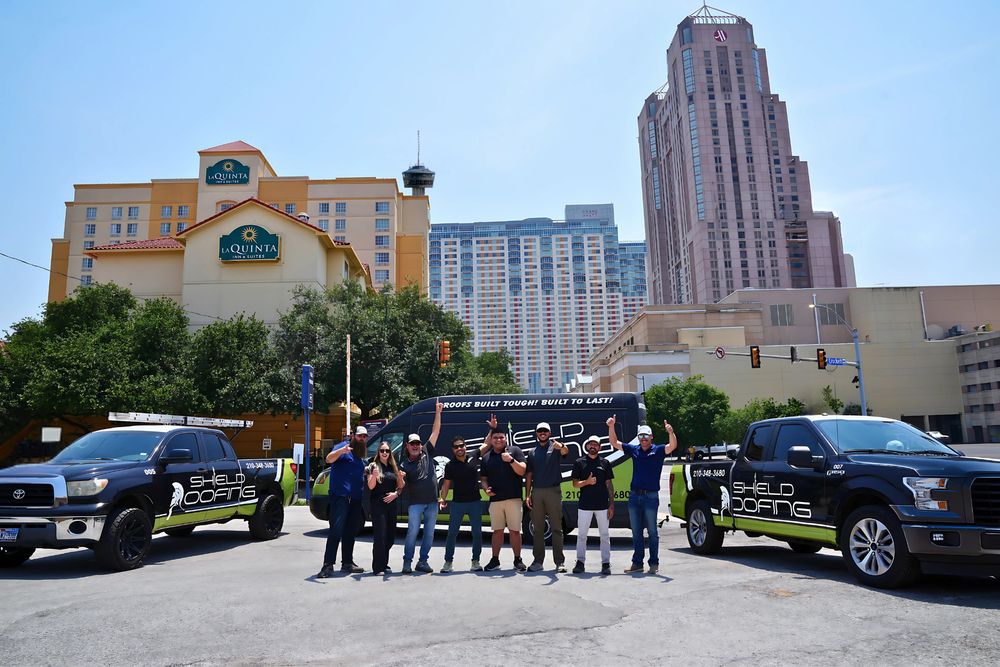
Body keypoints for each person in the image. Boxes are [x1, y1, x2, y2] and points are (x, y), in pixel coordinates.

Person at [608, 415, 677, 574]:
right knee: (636, 531)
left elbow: (672, 446)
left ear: (651, 437)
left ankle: (654, 564)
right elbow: (614, 443)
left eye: (646, 436)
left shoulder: (658, 450)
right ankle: (637, 563)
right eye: (641, 436)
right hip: (634, 496)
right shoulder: (634, 449)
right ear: (638, 438)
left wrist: (670, 432)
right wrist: (611, 427)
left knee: (652, 531)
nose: (644, 439)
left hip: (651, 497)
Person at [316, 426, 369, 578]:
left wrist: (367, 470)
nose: (362, 439)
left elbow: (355, 470)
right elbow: (328, 459)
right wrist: (341, 451)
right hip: (340, 497)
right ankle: (328, 565)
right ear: (353, 435)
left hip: (355, 499)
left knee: (350, 532)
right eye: (360, 436)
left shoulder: (359, 454)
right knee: (336, 531)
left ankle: (347, 563)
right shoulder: (342, 447)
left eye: (364, 437)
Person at [398, 400, 443, 574]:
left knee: (429, 534)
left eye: (418, 443)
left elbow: (435, 431)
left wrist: (438, 412)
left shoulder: (427, 452)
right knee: (412, 533)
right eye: (413, 444)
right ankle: (407, 562)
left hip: (432, 502)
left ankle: (422, 562)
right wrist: (400, 479)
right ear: (407, 447)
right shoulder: (404, 466)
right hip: (415, 504)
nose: (416, 446)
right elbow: (401, 487)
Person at [479, 429, 528, 572]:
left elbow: (522, 470)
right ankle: (495, 560)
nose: (498, 440)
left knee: (515, 531)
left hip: (514, 498)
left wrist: (511, 460)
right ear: (491, 440)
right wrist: (486, 489)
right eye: (495, 437)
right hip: (495, 500)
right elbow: (483, 479)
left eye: (501, 437)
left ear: (506, 438)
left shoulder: (515, 450)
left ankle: (517, 560)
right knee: (497, 531)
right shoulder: (487, 457)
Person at [524, 421, 568, 572]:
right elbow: (529, 475)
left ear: (549, 433)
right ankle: (538, 561)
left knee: (557, 528)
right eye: (540, 431)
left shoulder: (555, 447)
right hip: (537, 492)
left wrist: (561, 447)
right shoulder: (532, 452)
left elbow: (565, 451)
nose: (542, 433)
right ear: (536, 433)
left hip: (553, 491)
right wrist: (527, 495)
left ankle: (559, 562)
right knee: (537, 529)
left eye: (545, 431)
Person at [439, 436, 483, 572]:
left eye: (461, 445)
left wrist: (493, 428)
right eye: (456, 447)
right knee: (452, 533)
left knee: (477, 533)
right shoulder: (450, 465)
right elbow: (446, 485)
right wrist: (442, 499)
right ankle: (448, 563)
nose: (459, 448)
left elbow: (487, 444)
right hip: (458, 503)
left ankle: (475, 562)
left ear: (465, 446)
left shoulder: (473, 456)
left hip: (475, 502)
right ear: (453, 450)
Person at [571, 435, 615, 576]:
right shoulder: (579, 462)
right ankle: (580, 562)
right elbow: (575, 484)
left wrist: (612, 505)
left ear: (599, 447)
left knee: (604, 535)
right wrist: (587, 482)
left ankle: (606, 563)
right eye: (590, 444)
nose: (593, 446)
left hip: (602, 505)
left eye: (595, 444)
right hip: (585, 505)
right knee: (582, 535)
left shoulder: (605, 463)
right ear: (587, 446)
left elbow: (609, 484)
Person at [367, 441, 404, 576]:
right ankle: (378, 567)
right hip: (378, 504)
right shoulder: (373, 466)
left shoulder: (393, 466)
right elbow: (370, 487)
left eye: (387, 451)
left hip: (392, 503)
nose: (384, 453)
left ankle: (384, 563)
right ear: (378, 452)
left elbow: (400, 486)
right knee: (380, 536)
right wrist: (375, 476)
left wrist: (396, 493)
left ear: (390, 453)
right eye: (382, 450)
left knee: (390, 536)